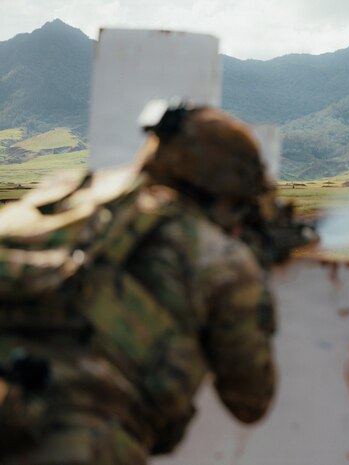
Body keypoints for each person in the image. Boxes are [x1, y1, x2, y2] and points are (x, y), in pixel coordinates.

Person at [0, 106, 311, 464]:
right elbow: (251, 401)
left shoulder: (59, 198)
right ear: (227, 192)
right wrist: (249, 277)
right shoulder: (219, 258)